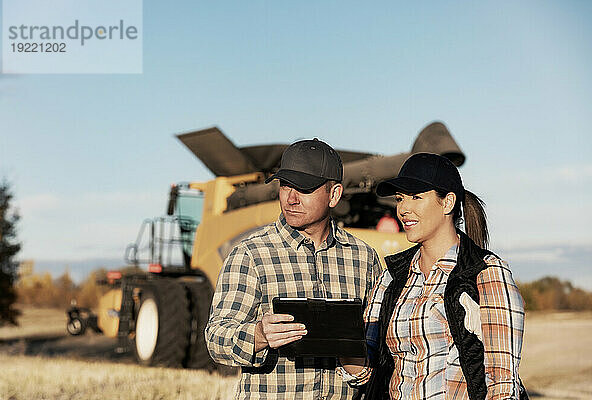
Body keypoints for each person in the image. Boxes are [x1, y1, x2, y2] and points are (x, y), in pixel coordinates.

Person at [205, 138, 382, 399]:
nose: (290, 198)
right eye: (285, 185)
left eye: (304, 188)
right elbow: (216, 339)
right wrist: (259, 334)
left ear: (334, 195)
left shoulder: (364, 258)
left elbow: (376, 346)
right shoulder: (250, 254)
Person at [340, 153, 527, 399]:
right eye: (399, 198)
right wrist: (337, 340)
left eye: (416, 197)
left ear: (448, 202)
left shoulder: (487, 273)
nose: (404, 209)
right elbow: (364, 372)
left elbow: (503, 385)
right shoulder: (391, 277)